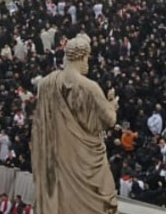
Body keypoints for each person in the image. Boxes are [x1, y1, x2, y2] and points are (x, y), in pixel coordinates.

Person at [32, 33, 118, 214]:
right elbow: (110, 119)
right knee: (99, 196)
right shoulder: (89, 87)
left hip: (59, 152)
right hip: (84, 155)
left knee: (63, 196)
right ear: (83, 57)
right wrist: (112, 104)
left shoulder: (46, 84)